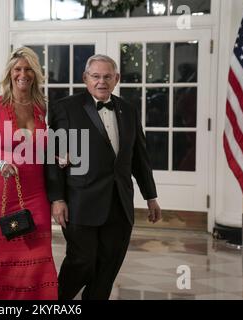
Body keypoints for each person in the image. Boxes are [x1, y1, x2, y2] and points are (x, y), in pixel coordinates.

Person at [45, 54, 162, 300]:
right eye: (96, 76)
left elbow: (139, 157)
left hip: (119, 203)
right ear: (85, 78)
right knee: (82, 260)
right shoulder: (65, 108)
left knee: (109, 266)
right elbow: (54, 159)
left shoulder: (128, 110)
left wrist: (151, 196)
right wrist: (57, 198)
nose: (101, 82)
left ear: (116, 79)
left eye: (107, 76)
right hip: (80, 202)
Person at [0, 47, 58, 300]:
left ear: (35, 74)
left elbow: (35, 147)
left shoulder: (41, 106)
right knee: (6, 257)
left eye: (28, 68)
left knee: (40, 255)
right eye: (18, 69)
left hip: (36, 192)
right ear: (10, 74)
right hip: (2, 193)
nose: (23, 74)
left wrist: (55, 157)